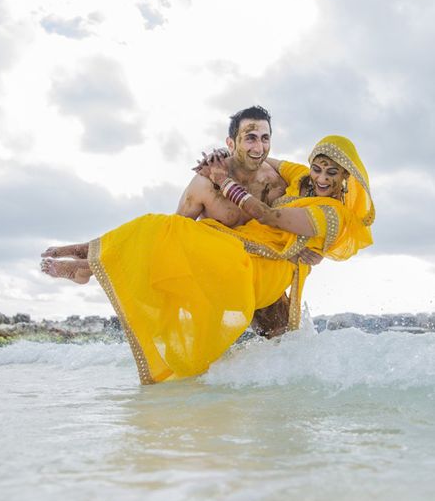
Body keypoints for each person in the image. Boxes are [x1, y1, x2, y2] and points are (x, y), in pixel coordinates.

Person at [41, 135, 374, 385]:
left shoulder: (333, 215)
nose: (322, 177)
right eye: (318, 168)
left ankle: (90, 262)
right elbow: (265, 161)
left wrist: (222, 181)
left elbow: (270, 217)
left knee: (166, 233)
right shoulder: (303, 178)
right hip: (238, 244)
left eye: (332, 173)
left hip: (262, 268)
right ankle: (91, 259)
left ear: (347, 178)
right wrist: (225, 156)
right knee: (163, 231)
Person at [176, 105, 321, 337]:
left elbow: (292, 228)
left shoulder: (277, 185)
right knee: (211, 363)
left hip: (262, 282)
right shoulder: (204, 184)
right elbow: (176, 232)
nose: (259, 147)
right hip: (216, 282)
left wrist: (312, 249)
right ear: (231, 143)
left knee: (283, 344)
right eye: (250, 138)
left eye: (265, 138)